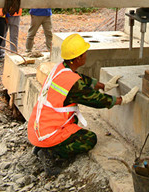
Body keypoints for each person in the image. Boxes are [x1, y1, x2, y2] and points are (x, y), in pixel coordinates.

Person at [28, 33, 138, 175]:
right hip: (49, 132)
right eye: (84, 53)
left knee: (73, 126)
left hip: (39, 128)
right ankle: (50, 152)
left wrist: (104, 86)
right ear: (78, 58)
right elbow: (96, 99)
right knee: (89, 139)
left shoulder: (60, 68)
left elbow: (81, 79)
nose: (86, 55)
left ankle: (42, 147)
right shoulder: (73, 85)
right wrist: (122, 100)